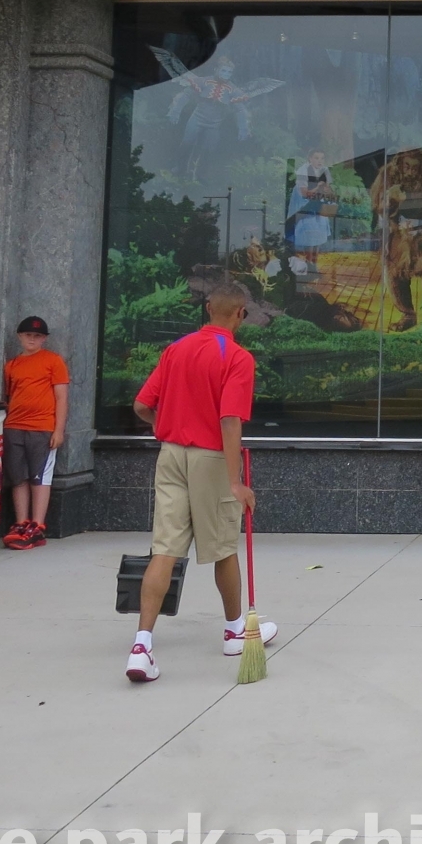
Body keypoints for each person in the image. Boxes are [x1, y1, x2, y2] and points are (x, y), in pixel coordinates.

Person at [125, 284, 277, 684]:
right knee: (223, 547)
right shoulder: (237, 357)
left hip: (170, 455)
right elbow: (230, 420)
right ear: (240, 314)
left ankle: (141, 647)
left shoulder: (175, 350)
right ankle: (234, 632)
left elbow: (141, 405)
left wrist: (165, 427)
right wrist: (235, 481)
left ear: (208, 308)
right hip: (211, 459)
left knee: (164, 550)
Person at [0, 316, 68, 550]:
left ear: (44, 339)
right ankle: (21, 523)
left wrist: (58, 430)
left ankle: (37, 526)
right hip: (14, 426)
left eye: (37, 336)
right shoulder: (12, 365)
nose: (32, 339)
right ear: (20, 337)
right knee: (18, 477)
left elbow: (61, 397)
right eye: (28, 335)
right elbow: (10, 395)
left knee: (39, 477)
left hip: (42, 427)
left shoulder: (53, 361)